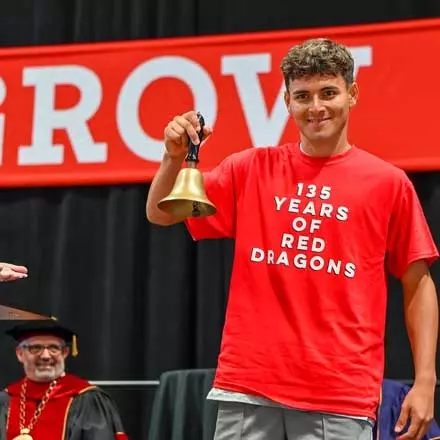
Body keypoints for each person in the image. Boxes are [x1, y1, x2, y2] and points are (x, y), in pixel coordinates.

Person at [146, 38, 439, 440]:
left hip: (340, 394)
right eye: (302, 96)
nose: (316, 107)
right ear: (287, 101)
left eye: (328, 93)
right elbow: (161, 213)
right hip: (247, 387)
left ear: (352, 94)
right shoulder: (251, 169)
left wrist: (424, 382)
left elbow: (418, 282)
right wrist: (173, 157)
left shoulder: (388, 183)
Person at [0, 319, 129, 439]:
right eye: (36, 348)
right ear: (20, 354)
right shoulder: (7, 399)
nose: (45, 356)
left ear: (65, 353)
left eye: (53, 348)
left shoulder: (87, 400)